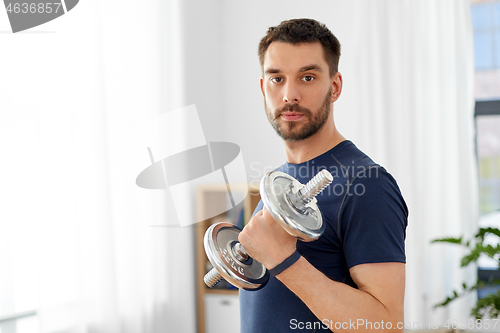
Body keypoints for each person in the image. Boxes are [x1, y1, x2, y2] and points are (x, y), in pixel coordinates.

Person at [238, 18, 408, 333]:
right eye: (277, 78)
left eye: (307, 77)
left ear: (334, 86)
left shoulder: (367, 183)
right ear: (263, 88)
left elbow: (387, 325)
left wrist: (284, 261)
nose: (289, 94)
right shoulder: (278, 181)